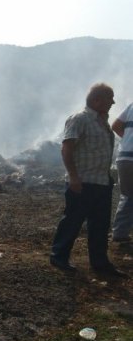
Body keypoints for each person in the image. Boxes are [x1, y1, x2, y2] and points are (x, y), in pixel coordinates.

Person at [49, 83, 126, 277]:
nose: (113, 102)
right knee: (73, 221)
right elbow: (67, 148)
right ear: (97, 100)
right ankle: (59, 256)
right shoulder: (79, 119)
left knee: (100, 225)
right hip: (83, 182)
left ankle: (100, 263)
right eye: (110, 98)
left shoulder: (102, 121)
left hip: (101, 181)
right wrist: (74, 177)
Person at [110, 102, 133, 243]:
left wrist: (128, 140)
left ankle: (120, 232)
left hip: (124, 157)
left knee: (128, 195)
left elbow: (115, 126)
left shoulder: (131, 105)